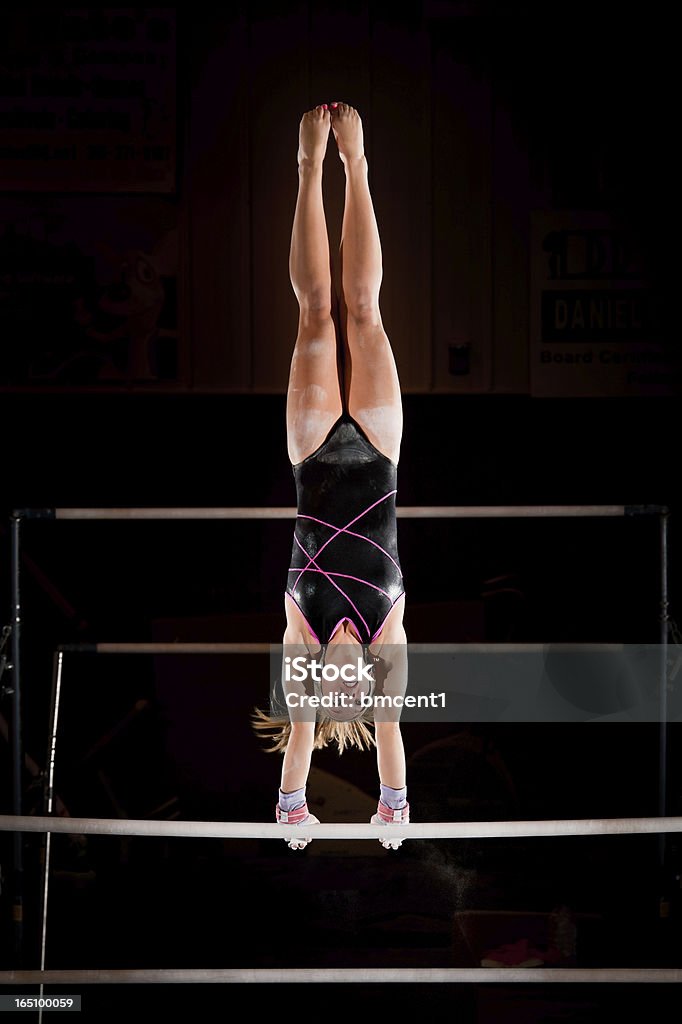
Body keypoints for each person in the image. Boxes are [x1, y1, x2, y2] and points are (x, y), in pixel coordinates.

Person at [253, 102, 409, 850]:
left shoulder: (301, 635)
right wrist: (393, 810)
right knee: (366, 314)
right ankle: (359, 166)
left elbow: (297, 755)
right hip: (379, 452)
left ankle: (310, 166)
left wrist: (293, 810)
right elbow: (390, 744)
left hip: (313, 454)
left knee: (317, 315)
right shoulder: (389, 637)